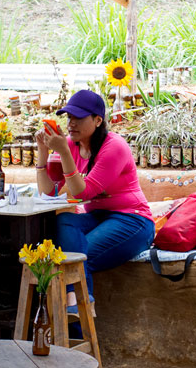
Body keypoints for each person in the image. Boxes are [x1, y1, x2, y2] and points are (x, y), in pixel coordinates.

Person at [35, 89, 154, 312]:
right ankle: (78, 305)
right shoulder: (71, 145)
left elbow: (82, 193)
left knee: (79, 255)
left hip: (133, 221)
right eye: (69, 117)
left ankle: (76, 312)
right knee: (63, 222)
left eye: (79, 118)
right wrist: (43, 153)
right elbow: (50, 193)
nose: (71, 124)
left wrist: (64, 153)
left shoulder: (114, 147)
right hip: (98, 218)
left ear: (98, 120)